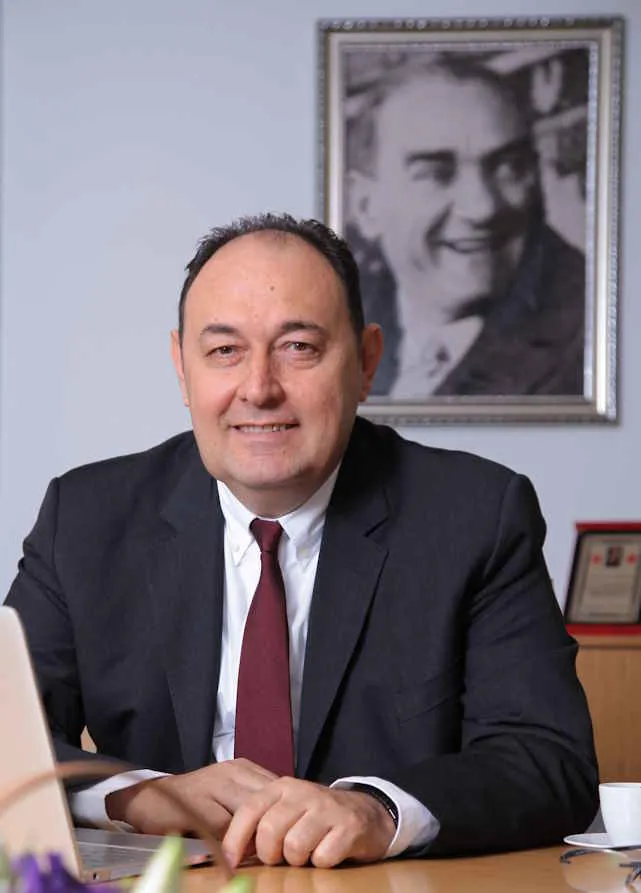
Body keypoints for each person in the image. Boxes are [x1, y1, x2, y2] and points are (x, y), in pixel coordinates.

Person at [6, 213, 597, 868]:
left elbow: (548, 759)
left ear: (367, 360)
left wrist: (379, 809)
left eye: (298, 347)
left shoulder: (475, 516)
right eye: (224, 351)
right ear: (181, 367)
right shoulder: (85, 519)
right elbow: (8, 740)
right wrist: (136, 795)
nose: (259, 389)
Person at [346, 54, 586, 398]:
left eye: (508, 167)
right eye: (436, 174)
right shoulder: (345, 315)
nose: (482, 208)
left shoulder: (588, 341)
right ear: (366, 206)